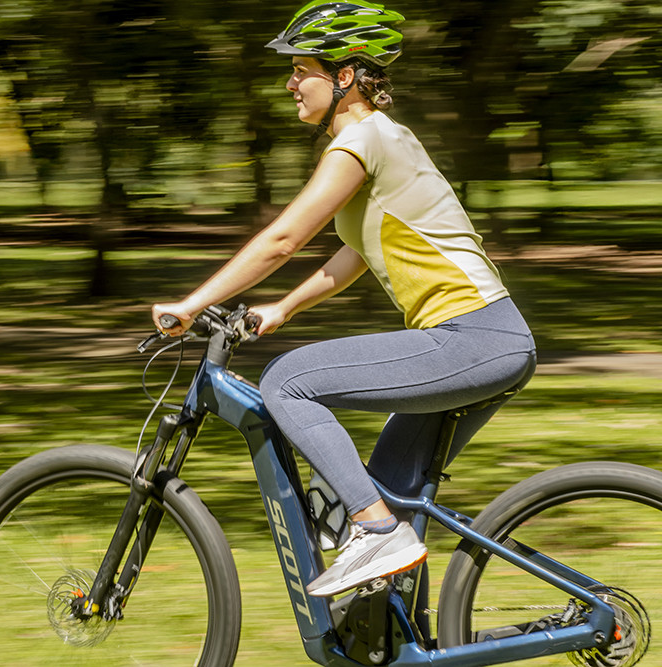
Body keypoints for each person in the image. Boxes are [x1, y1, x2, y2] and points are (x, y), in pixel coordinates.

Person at [152, 0, 536, 598]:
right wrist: (282, 308)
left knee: (289, 383)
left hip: (471, 337)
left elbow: (283, 239)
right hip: (483, 340)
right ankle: (396, 632)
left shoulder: (361, 141)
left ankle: (378, 533)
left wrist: (192, 303)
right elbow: (355, 255)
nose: (290, 82)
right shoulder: (382, 140)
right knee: (374, 491)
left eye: (301, 69)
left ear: (344, 77)